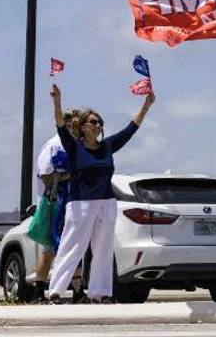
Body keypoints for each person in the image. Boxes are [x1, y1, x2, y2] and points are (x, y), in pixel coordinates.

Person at [45, 83, 155, 304]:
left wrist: (146, 105)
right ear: (83, 127)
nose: (97, 125)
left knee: (103, 250)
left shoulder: (107, 147)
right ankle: (55, 292)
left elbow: (130, 129)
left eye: (99, 122)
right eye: (93, 122)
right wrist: (57, 102)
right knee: (71, 247)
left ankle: (100, 293)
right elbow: (60, 125)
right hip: (80, 204)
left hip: (106, 203)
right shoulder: (75, 147)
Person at [31, 113, 82, 299]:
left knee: (73, 247)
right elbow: (45, 176)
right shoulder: (54, 146)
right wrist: (70, 175)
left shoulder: (75, 145)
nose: (76, 130)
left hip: (72, 201)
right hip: (55, 202)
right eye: (73, 126)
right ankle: (39, 292)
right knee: (50, 249)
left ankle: (77, 291)